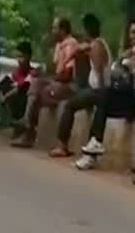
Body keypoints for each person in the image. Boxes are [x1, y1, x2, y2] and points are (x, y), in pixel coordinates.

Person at [75, 19, 135, 178]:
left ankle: (94, 144)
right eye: (131, 33)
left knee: (104, 95)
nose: (132, 37)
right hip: (123, 96)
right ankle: (93, 149)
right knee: (103, 98)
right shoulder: (128, 53)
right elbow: (115, 70)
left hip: (131, 97)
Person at [49, 14, 111, 157]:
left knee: (69, 105)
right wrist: (66, 61)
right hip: (96, 89)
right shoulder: (98, 43)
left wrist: (100, 98)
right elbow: (79, 49)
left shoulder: (96, 48)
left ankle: (62, 145)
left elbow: (100, 74)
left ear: (87, 30)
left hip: (98, 91)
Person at [12, 17, 79, 148]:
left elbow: (68, 74)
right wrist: (43, 74)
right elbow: (54, 69)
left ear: (63, 30)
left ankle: (28, 130)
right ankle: (27, 122)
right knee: (35, 84)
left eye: (55, 28)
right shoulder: (59, 45)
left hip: (68, 85)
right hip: (57, 80)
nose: (53, 31)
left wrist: (51, 78)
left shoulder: (71, 45)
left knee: (40, 94)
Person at [0, 41, 36, 138]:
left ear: (28, 57)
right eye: (18, 57)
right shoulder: (17, 72)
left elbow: (23, 87)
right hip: (17, 101)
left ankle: (24, 128)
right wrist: (1, 95)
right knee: (5, 86)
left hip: (27, 101)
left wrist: (5, 97)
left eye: (21, 57)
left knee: (18, 93)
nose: (19, 60)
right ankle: (15, 124)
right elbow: (3, 83)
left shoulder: (33, 72)